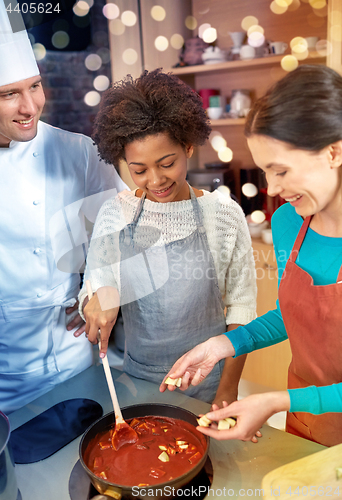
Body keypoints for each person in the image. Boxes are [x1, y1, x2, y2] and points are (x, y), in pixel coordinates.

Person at [160, 64, 342, 447]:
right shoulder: (290, 223)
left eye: (281, 171)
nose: (273, 188)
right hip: (310, 421)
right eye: (265, 172)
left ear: (333, 151)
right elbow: (294, 314)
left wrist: (277, 401)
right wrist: (224, 345)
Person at [78, 68, 257, 405]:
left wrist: (228, 389)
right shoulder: (116, 214)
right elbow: (95, 284)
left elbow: (242, 310)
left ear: (188, 146)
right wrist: (96, 298)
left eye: (167, 162)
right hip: (140, 381)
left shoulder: (223, 214)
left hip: (209, 380)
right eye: (139, 170)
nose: (156, 180)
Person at [0, 1, 127, 414]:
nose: (30, 107)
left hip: (78, 357)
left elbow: (125, 222)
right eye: (9, 94)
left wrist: (102, 283)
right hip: (7, 376)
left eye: (34, 86)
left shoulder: (77, 152)